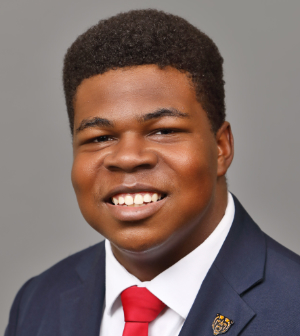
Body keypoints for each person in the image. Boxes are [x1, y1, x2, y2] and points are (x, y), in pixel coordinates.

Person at [5, 9, 300, 336]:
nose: (128, 158)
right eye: (100, 138)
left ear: (221, 148)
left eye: (163, 131)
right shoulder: (37, 301)